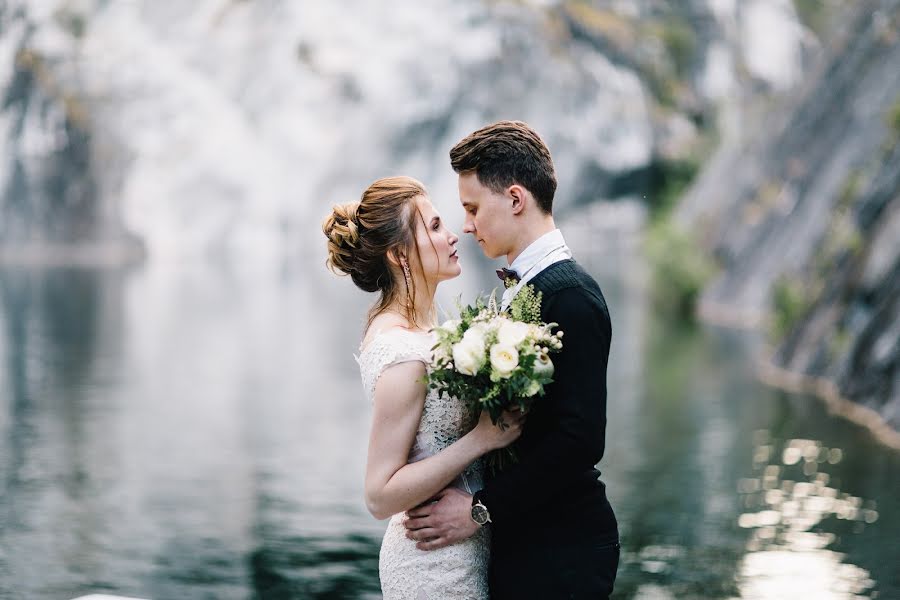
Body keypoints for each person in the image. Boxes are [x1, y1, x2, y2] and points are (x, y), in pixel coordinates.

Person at [402, 121, 620, 599]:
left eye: (473, 207)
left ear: (516, 199)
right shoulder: (525, 289)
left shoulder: (573, 297)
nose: (466, 224)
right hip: (528, 540)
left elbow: (580, 440)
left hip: (563, 549)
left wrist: (480, 508)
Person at [323, 175, 525, 600]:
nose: (453, 235)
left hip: (462, 545)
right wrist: (481, 440)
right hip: (431, 564)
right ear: (399, 255)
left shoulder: (424, 332)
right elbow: (379, 496)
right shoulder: (403, 352)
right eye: (434, 227)